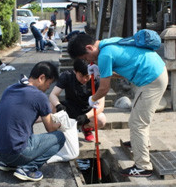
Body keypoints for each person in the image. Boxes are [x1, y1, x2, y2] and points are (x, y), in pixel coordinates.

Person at [67, 33, 168, 177]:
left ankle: (143, 166)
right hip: (154, 72)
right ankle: (139, 142)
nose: (87, 61)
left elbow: (104, 89)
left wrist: (92, 99)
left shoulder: (104, 55)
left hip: (152, 78)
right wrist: (100, 71)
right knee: (139, 114)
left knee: (137, 123)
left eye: (85, 58)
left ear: (89, 48)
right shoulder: (107, 43)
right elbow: (124, 67)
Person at [0, 61, 65, 182]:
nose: (48, 88)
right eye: (49, 83)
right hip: (15, 153)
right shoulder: (39, 96)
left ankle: (8, 164)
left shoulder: (10, 89)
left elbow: (22, 118)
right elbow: (50, 128)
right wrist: (60, 123)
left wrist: (50, 116)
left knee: (24, 130)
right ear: (41, 78)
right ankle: (28, 168)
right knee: (59, 137)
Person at [49, 58, 106, 142]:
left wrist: (86, 116)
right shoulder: (67, 76)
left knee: (101, 120)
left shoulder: (96, 79)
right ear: (75, 72)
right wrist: (58, 105)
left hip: (87, 110)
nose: (85, 79)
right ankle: (57, 133)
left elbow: (101, 107)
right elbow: (52, 95)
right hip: (69, 108)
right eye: (81, 76)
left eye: (87, 76)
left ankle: (86, 128)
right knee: (52, 105)